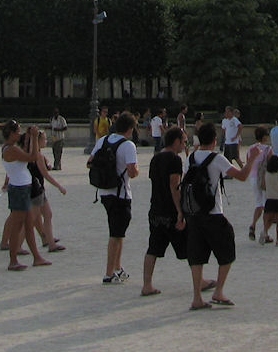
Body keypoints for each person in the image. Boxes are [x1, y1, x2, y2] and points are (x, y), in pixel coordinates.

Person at [182, 121, 255, 310]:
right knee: (227, 252)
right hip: (213, 213)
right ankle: (219, 291)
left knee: (196, 257)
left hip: (194, 214)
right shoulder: (217, 159)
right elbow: (242, 176)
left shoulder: (190, 158)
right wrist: (252, 159)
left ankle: (197, 297)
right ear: (214, 140)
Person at [140, 127, 212, 297]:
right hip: (171, 212)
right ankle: (200, 281)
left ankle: (147, 284)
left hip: (155, 209)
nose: (185, 145)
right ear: (176, 141)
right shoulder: (174, 159)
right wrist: (180, 211)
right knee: (191, 247)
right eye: (184, 141)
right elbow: (175, 186)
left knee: (153, 248)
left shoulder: (155, 158)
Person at [88, 111, 140, 284]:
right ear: (130, 129)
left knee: (119, 232)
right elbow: (132, 172)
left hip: (104, 191)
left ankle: (117, 268)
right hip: (120, 193)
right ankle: (109, 273)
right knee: (115, 234)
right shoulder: (128, 145)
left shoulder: (103, 140)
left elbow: (90, 162)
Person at [0, 121, 47, 271]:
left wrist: (28, 139)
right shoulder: (11, 149)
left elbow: (26, 155)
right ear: (12, 134)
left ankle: (36, 257)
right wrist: (34, 137)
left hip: (21, 187)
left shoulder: (10, 147)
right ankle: (13, 260)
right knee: (18, 226)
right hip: (19, 189)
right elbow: (32, 157)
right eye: (18, 132)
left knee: (28, 225)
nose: (19, 135)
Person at [245, 126, 271, 241]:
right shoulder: (268, 149)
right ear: (264, 137)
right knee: (266, 205)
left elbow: (248, 163)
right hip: (264, 178)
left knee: (258, 203)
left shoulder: (250, 149)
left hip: (253, 177)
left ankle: (253, 224)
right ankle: (265, 232)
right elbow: (271, 165)